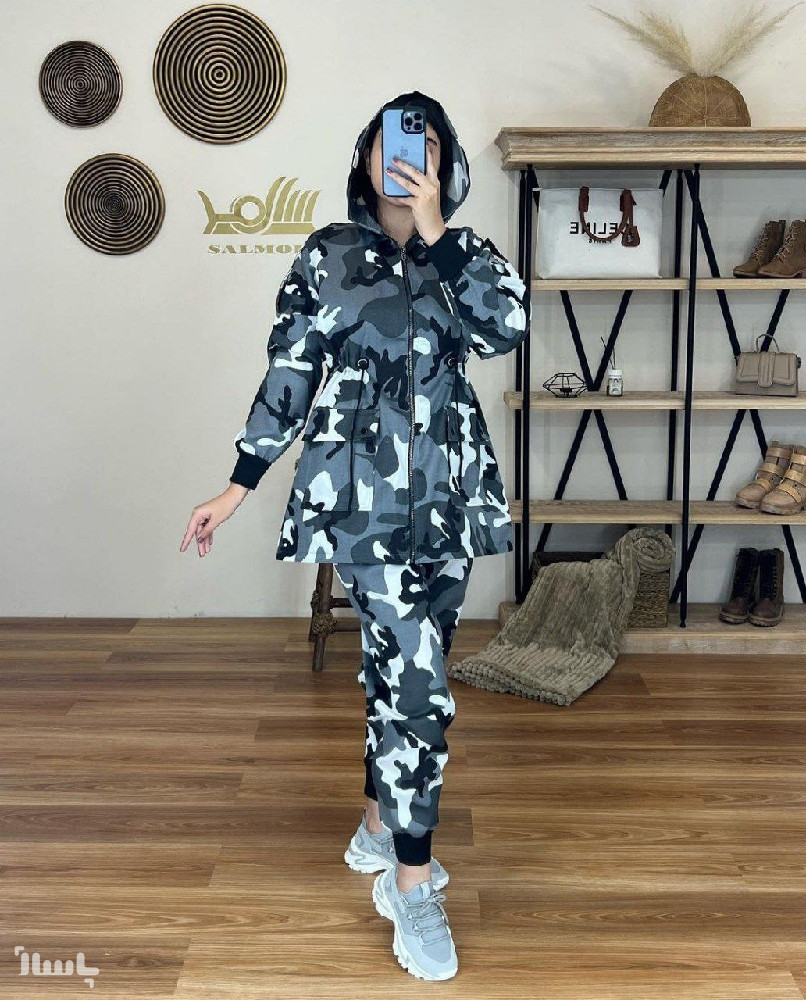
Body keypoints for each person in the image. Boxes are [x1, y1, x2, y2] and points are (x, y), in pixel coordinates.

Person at [181, 89, 528, 981]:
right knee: (419, 691)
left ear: (446, 164)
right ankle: (412, 883)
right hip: (360, 503)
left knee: (405, 670)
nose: (407, 156)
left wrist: (439, 231)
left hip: (449, 501)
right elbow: (290, 372)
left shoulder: (467, 255)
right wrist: (239, 482)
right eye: (392, 141)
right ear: (367, 159)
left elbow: (505, 331)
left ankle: (378, 824)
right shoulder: (328, 256)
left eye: (427, 144)